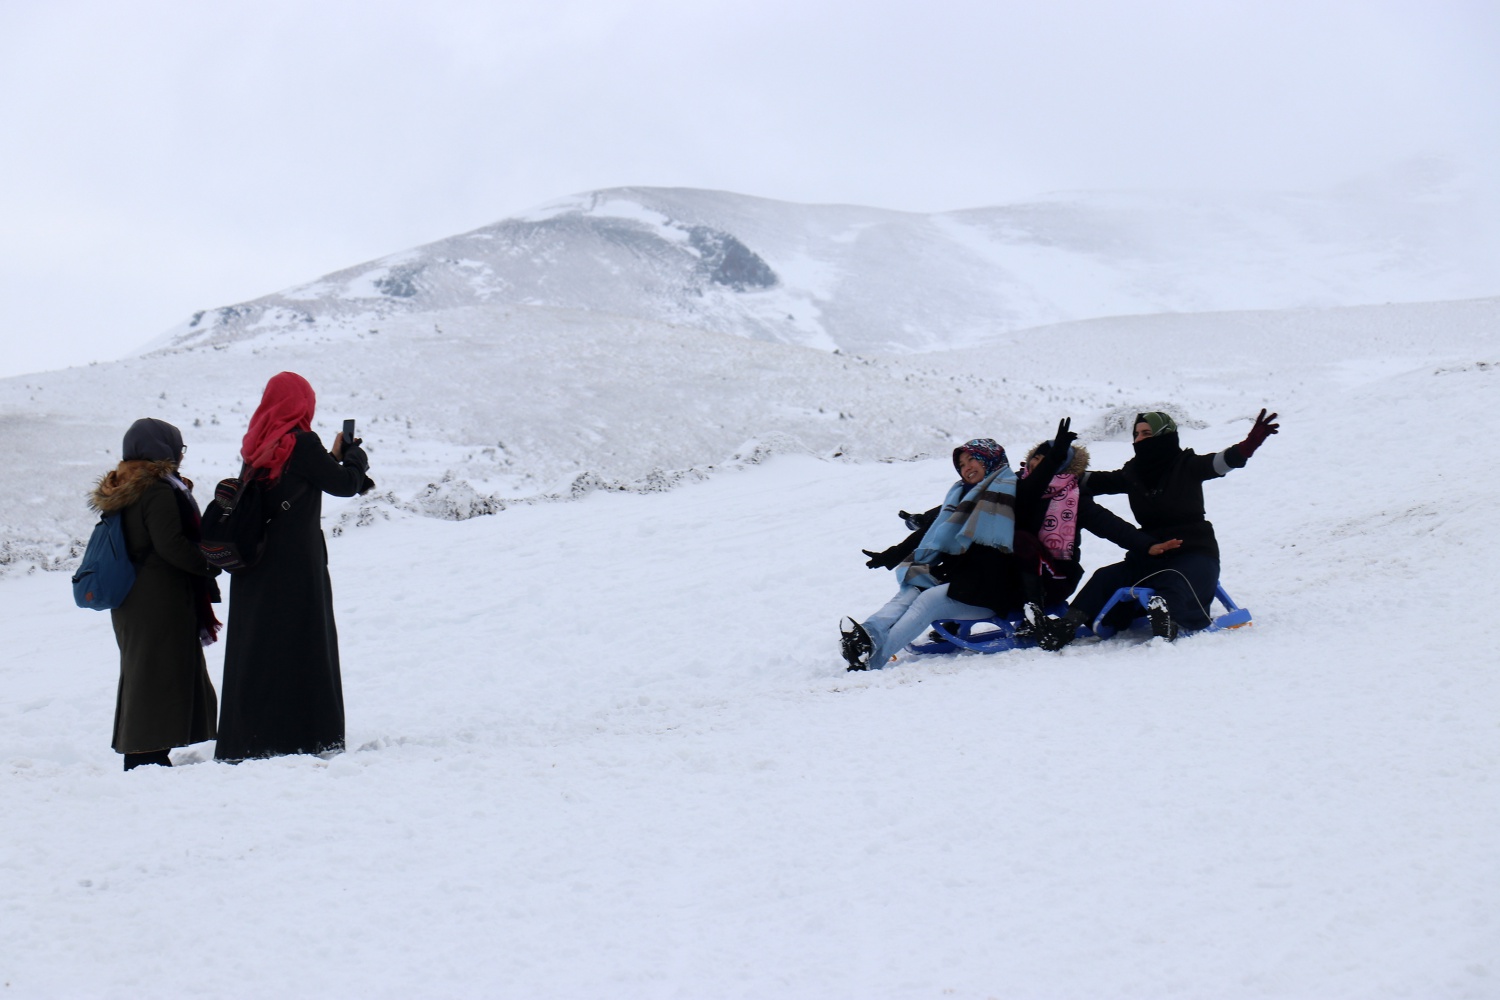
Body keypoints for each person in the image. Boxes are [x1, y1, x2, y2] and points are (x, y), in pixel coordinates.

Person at [215, 372, 374, 762]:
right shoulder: (302, 443)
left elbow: (296, 481)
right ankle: (305, 734)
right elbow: (344, 484)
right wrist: (354, 457)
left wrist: (330, 457)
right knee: (302, 643)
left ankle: (249, 738)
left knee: (258, 647)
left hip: (256, 564)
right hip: (295, 565)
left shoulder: (256, 445)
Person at [1038, 408, 1279, 650]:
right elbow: (1087, 481)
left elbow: (1221, 462)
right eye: (1136, 434)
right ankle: (1068, 624)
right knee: (1106, 577)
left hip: (1193, 550)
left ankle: (1167, 620)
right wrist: (1047, 468)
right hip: (1150, 552)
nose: (1139, 439)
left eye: (1147, 433)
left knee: (1175, 579)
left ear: (1165, 435)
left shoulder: (1187, 465)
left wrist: (1249, 444)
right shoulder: (1133, 473)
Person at [89, 418, 220, 770]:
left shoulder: (125, 485)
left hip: (132, 598)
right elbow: (171, 544)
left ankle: (145, 754)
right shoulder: (157, 490)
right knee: (158, 675)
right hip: (159, 598)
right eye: (178, 447)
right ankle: (145, 758)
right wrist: (210, 564)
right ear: (164, 450)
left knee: (144, 673)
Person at [841, 439, 1019, 670]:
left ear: (990, 458)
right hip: (961, 583)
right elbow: (931, 529)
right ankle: (865, 636)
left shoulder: (1013, 491)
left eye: (972, 459)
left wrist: (1053, 460)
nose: (966, 467)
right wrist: (891, 555)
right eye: (961, 464)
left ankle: (873, 659)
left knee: (928, 600)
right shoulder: (962, 496)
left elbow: (1039, 485)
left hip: (992, 590)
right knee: (911, 591)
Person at [1012, 419, 1180, 637]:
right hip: (1015, 573)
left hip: (1055, 577)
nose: (1036, 464)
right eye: (1035, 458)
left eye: (1044, 460)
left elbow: (1109, 525)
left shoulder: (1072, 499)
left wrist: (1148, 545)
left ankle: (1034, 612)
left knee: (1022, 540)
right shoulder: (1014, 488)